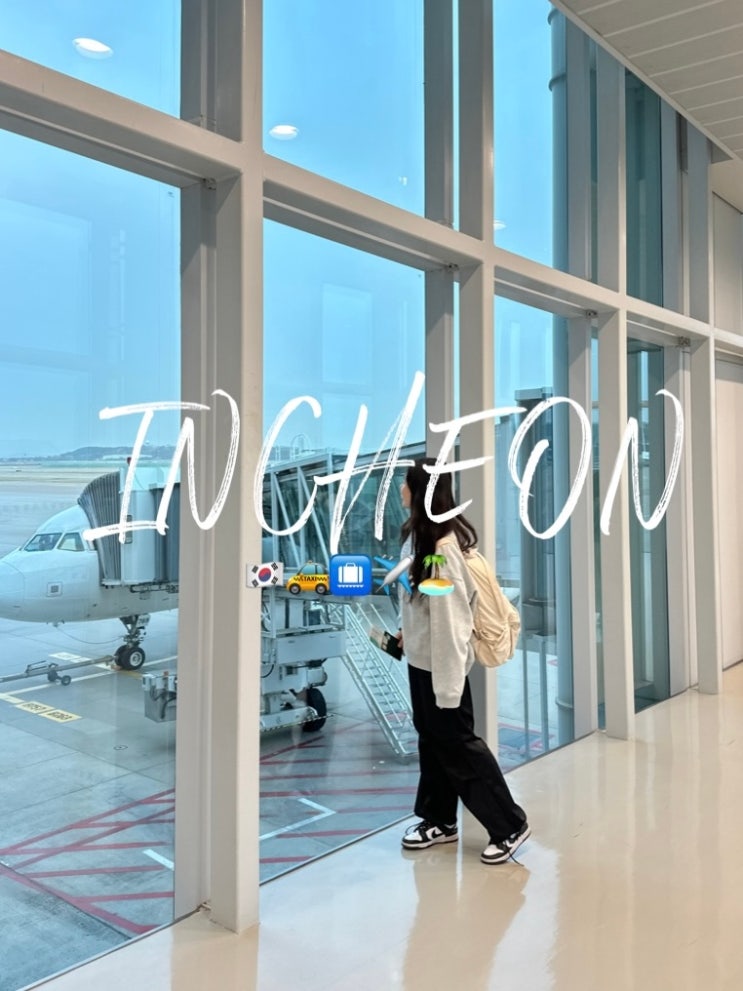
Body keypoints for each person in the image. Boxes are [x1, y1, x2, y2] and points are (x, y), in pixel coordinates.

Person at [396, 457, 530, 865]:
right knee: (432, 740)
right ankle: (439, 819)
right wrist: (406, 633)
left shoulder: (444, 548)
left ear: (420, 491)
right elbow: (423, 605)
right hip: (421, 662)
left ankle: (510, 824)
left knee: (459, 746)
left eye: (406, 483)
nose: (401, 489)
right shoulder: (418, 539)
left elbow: (452, 623)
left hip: (443, 668)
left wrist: (450, 684)